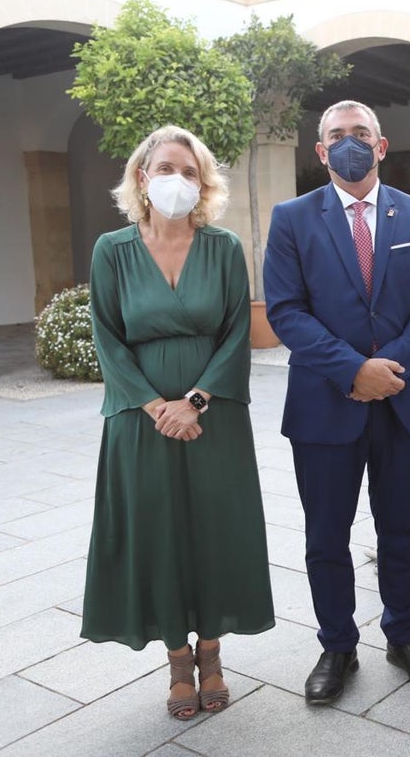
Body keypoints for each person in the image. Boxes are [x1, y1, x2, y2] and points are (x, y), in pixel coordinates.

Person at [264, 100, 410, 704]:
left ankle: (404, 634)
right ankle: (337, 645)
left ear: (381, 144)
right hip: (325, 404)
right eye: (337, 136)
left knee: (400, 528)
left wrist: (387, 368)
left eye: (360, 134)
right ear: (321, 151)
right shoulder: (291, 218)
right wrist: (353, 370)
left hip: (401, 399)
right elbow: (285, 309)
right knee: (327, 534)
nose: (350, 143)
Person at [82, 125, 275, 720]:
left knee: (215, 529)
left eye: (189, 173)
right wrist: (154, 407)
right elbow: (107, 339)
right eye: (166, 169)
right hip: (139, 422)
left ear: (203, 183)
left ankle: (213, 654)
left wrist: (194, 402)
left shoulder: (223, 248)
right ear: (142, 177)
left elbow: (236, 335)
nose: (178, 181)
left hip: (212, 417)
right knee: (158, 531)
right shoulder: (111, 250)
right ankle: (176, 661)